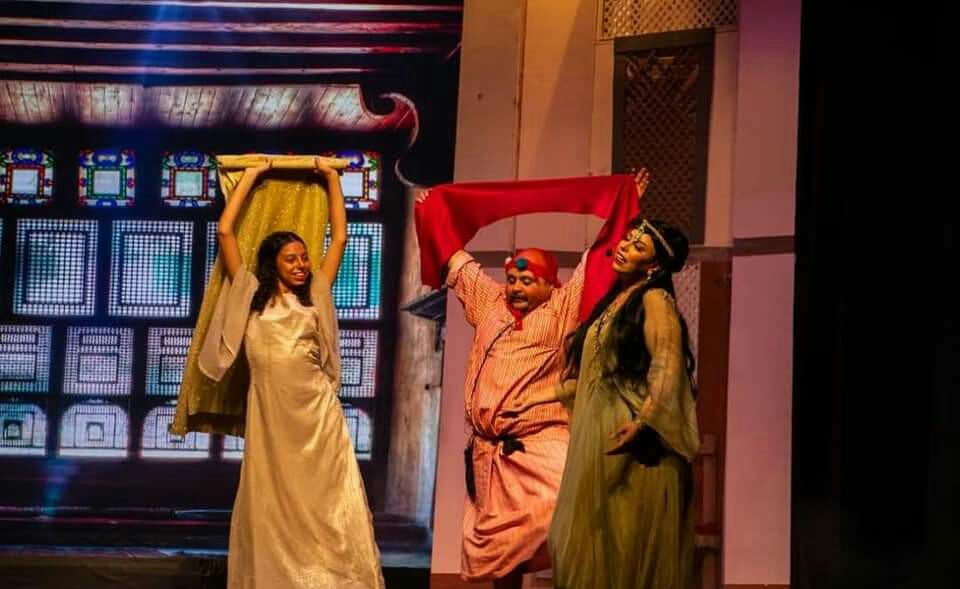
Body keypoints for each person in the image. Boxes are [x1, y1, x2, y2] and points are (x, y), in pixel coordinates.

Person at [415, 171, 649, 589]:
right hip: (489, 449)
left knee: (558, 507)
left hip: (540, 441)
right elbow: (454, 257)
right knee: (503, 550)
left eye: (528, 281)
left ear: (549, 284)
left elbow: (597, 259)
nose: (517, 288)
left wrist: (624, 208)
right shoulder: (489, 303)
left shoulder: (561, 310)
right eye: (512, 280)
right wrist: (434, 209)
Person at [205, 158, 384, 589]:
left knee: (325, 500)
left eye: (304, 257)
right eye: (292, 259)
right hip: (272, 416)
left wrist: (331, 178)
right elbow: (226, 231)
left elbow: (340, 237)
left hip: (317, 415)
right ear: (274, 263)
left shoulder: (316, 292)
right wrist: (253, 176)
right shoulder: (250, 293)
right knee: (272, 501)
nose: (302, 264)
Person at [511, 217, 700, 589]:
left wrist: (644, 422)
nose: (626, 246)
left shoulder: (655, 300)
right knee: (583, 545)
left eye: (639, 246)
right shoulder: (615, 302)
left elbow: (667, 365)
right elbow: (596, 378)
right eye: (628, 239)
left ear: (654, 265)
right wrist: (534, 398)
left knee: (622, 547)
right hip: (598, 438)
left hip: (631, 443)